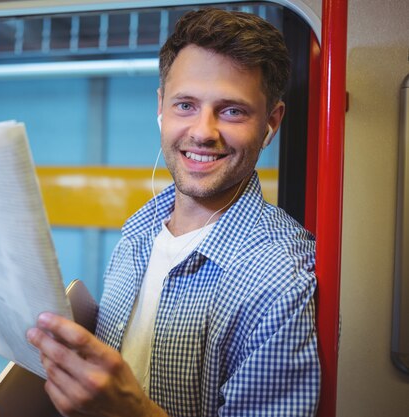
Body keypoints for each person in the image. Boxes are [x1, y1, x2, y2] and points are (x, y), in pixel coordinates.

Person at [27, 8, 320, 417]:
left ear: (270, 123)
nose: (203, 131)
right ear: (161, 106)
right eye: (185, 105)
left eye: (232, 110)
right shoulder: (137, 236)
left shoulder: (281, 281)